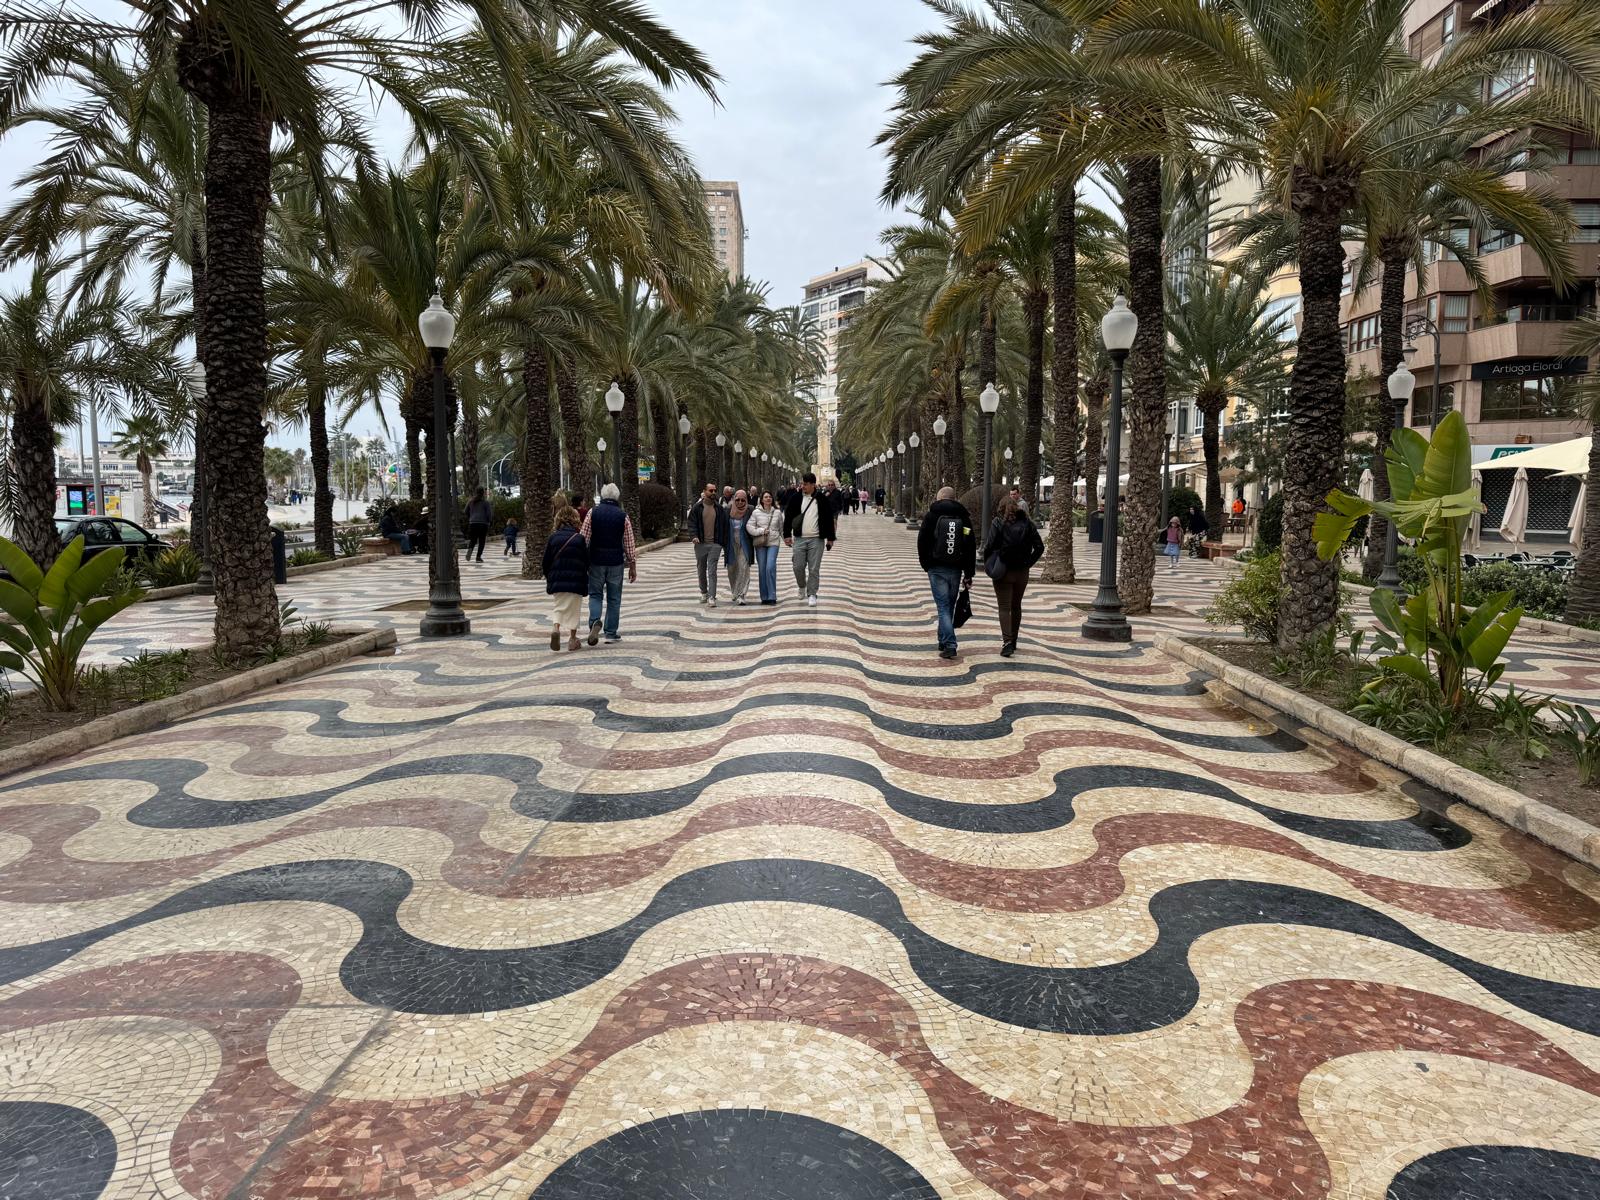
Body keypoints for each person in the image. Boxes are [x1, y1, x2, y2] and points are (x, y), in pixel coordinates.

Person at [981, 494, 1045, 657]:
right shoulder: (1028, 524)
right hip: (1022, 572)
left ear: (1001, 508)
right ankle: (1014, 640)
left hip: (1003, 570)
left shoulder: (997, 522)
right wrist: (1028, 562)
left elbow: (989, 546)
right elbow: (1039, 547)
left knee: (1004, 607)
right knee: (1016, 606)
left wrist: (990, 561)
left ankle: (1007, 642)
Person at [918, 486, 976, 659]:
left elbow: (922, 541)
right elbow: (970, 545)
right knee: (948, 605)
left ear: (940, 498)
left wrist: (926, 564)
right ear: (954, 498)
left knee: (943, 606)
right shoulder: (963, 517)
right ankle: (942, 640)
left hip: (936, 568)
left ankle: (950, 643)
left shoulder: (931, 516)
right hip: (955, 568)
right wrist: (969, 573)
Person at [581, 482, 638, 643]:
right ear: (617, 497)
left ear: (603, 496)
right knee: (614, 598)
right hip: (615, 563)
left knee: (595, 594)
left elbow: (583, 538)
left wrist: (583, 560)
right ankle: (611, 632)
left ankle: (594, 622)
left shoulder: (593, 513)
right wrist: (632, 565)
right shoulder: (622, 516)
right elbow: (629, 543)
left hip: (596, 561)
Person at [541, 501, 590, 651]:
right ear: (575, 519)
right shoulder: (579, 538)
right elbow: (586, 560)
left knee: (558, 607)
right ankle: (572, 639)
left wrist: (549, 576)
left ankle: (556, 628)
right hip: (576, 581)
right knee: (574, 610)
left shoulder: (553, 538)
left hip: (557, 580)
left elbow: (545, 561)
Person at [783, 471, 836, 607]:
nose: (803, 486)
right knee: (797, 566)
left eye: (805, 484)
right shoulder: (795, 498)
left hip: (816, 540)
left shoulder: (822, 499)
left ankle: (812, 593)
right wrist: (787, 535)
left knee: (814, 569)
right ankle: (802, 586)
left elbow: (829, 518)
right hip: (799, 539)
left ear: (813, 485)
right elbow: (788, 517)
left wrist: (830, 538)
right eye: (802, 484)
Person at [690, 482, 730, 606]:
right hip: (700, 544)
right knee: (701, 569)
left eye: (714, 491)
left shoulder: (719, 509)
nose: (713, 493)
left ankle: (712, 597)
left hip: (715, 545)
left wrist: (722, 543)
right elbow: (692, 524)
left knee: (712, 570)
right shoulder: (697, 508)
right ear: (704, 491)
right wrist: (694, 536)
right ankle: (704, 592)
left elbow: (725, 526)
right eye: (710, 491)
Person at [747, 490, 782, 605]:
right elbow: (749, 526)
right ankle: (764, 596)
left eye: (770, 497)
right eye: (766, 497)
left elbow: (781, 528)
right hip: (761, 543)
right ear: (761, 499)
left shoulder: (777, 512)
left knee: (770, 567)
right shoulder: (756, 512)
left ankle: (772, 596)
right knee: (762, 569)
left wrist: (787, 539)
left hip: (773, 542)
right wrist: (761, 531)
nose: (768, 499)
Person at [725, 489, 754, 604]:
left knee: (743, 567)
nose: (740, 502)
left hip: (745, 543)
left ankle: (741, 594)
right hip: (731, 543)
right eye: (737, 500)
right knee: (732, 569)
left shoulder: (750, 510)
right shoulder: (728, 510)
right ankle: (734, 591)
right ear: (734, 499)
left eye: (743, 500)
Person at [464, 486, 492, 564]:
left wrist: (471, 517)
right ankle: (478, 557)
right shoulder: (485, 503)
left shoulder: (470, 502)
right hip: (483, 524)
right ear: (483, 493)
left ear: (475, 492)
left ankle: (470, 550)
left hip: (473, 523)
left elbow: (465, 511)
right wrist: (489, 521)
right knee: (482, 541)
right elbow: (489, 514)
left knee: (473, 540)